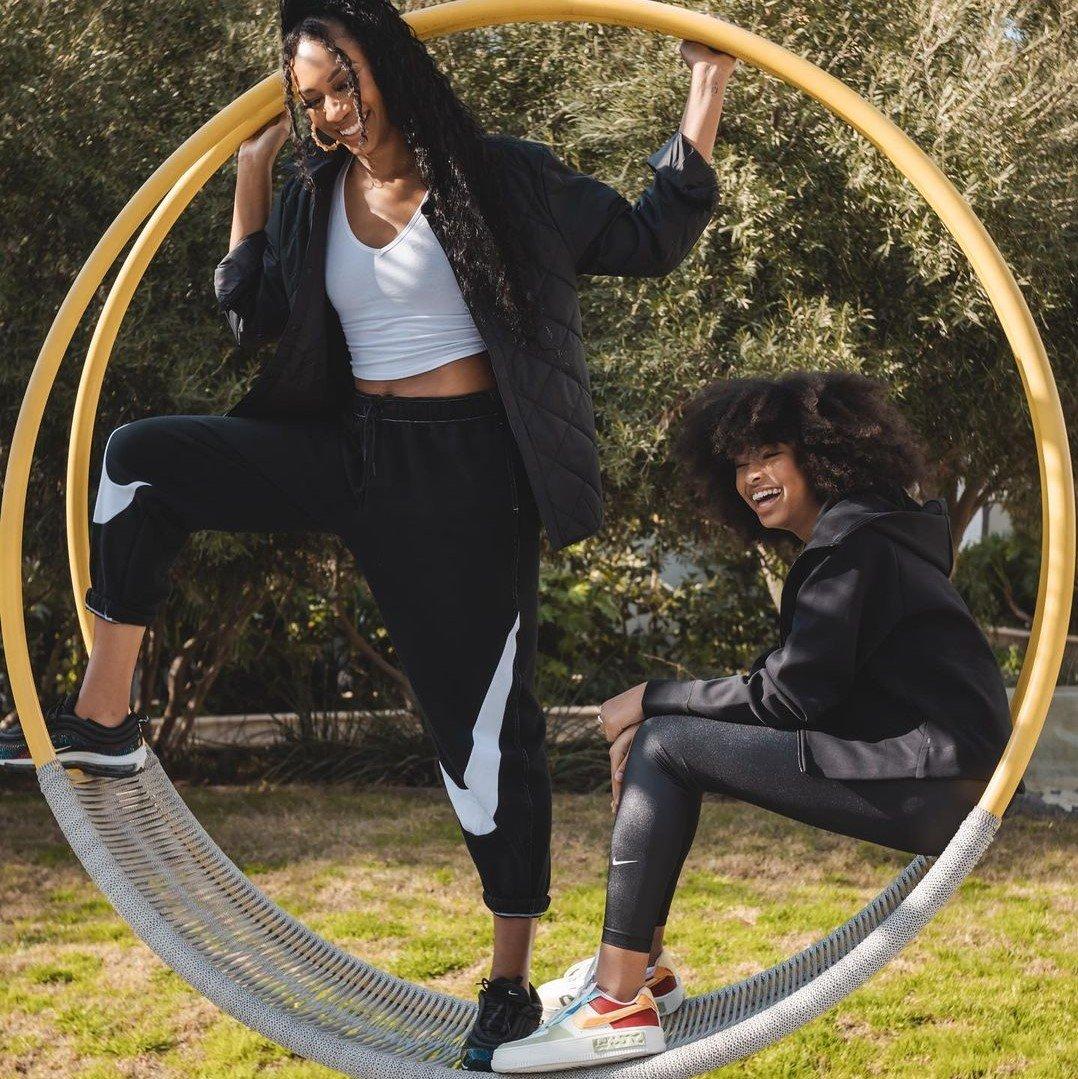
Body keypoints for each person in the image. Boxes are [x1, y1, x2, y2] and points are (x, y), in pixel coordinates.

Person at [0, 0, 737, 1068]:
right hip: (348, 448)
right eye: (310, 101)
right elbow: (251, 315)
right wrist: (252, 173)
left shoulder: (503, 173)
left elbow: (649, 236)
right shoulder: (314, 190)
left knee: (482, 735)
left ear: (387, 63)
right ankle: (104, 715)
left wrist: (704, 86)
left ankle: (506, 979)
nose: (334, 114)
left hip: (466, 473)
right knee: (135, 457)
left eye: (343, 85)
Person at [492, 370, 1013, 1072]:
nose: (751, 476)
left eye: (769, 454)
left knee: (668, 742)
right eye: (738, 464)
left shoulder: (854, 547)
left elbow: (786, 698)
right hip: (927, 767)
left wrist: (649, 696)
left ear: (820, 455)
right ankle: (642, 971)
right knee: (667, 743)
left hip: (929, 777)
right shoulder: (864, 535)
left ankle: (617, 1002)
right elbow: (804, 689)